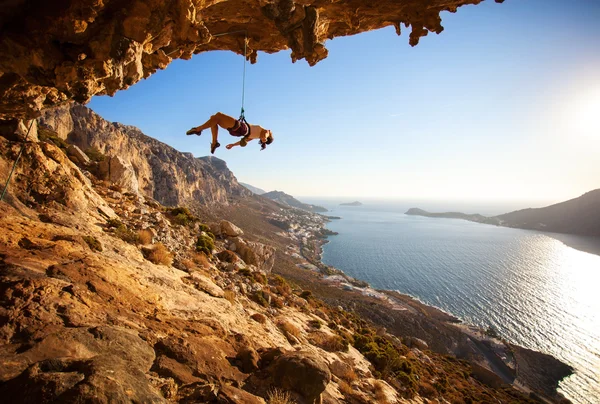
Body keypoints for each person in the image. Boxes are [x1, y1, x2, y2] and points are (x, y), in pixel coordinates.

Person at [186, 112, 274, 154]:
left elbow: (266, 133)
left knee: (218, 116)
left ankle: (197, 129)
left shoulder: (265, 132)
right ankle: (214, 143)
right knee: (214, 119)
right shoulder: (254, 137)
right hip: (236, 132)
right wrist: (232, 145)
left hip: (241, 127)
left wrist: (265, 137)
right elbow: (242, 142)